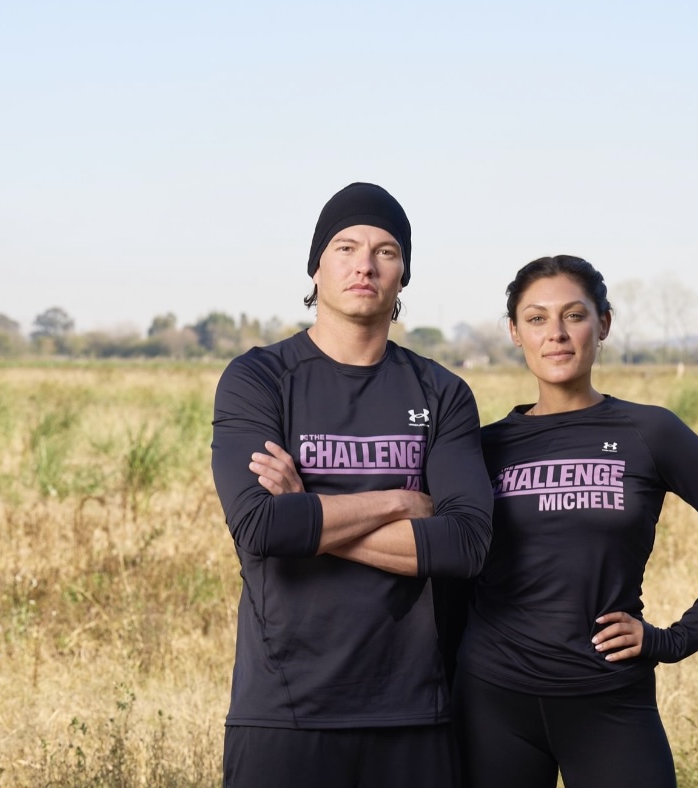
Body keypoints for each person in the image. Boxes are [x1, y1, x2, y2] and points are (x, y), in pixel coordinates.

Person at [210, 182, 494, 788]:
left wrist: (307, 513)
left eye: (386, 251)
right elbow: (261, 527)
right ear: (316, 266)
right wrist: (399, 501)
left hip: (415, 709)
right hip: (284, 711)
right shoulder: (259, 379)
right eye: (345, 247)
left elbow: (465, 545)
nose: (364, 264)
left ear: (403, 276)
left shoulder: (442, 393)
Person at [451, 255, 698, 788]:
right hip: (491, 700)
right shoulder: (483, 446)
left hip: (609, 701)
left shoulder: (650, 431)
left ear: (603, 324)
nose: (556, 334)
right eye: (536, 318)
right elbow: (434, 547)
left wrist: (674, 640)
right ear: (514, 332)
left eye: (574, 315)